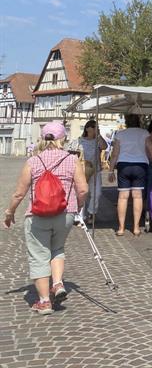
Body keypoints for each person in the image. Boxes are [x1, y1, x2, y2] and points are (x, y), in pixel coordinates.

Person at [3, 121, 88, 315]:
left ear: (43, 138)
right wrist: (78, 207)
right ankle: (57, 284)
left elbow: (18, 194)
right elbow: (83, 189)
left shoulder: (33, 161)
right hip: (65, 214)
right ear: (62, 139)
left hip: (38, 215)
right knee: (57, 248)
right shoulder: (72, 160)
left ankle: (44, 302)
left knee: (39, 255)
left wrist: (10, 213)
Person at [109, 114, 149, 236]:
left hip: (124, 165)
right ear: (139, 121)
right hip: (140, 165)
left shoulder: (120, 134)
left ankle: (121, 228)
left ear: (126, 122)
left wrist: (111, 170)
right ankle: (136, 228)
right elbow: (149, 149)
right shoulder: (144, 133)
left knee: (122, 197)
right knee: (137, 196)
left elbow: (115, 153)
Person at [77, 120, 107, 222]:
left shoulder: (98, 140)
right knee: (83, 192)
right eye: (94, 127)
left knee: (97, 193)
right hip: (82, 171)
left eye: (97, 128)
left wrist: (99, 135)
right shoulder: (79, 140)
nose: (96, 129)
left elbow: (104, 147)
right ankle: (80, 215)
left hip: (95, 170)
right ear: (87, 128)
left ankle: (91, 212)